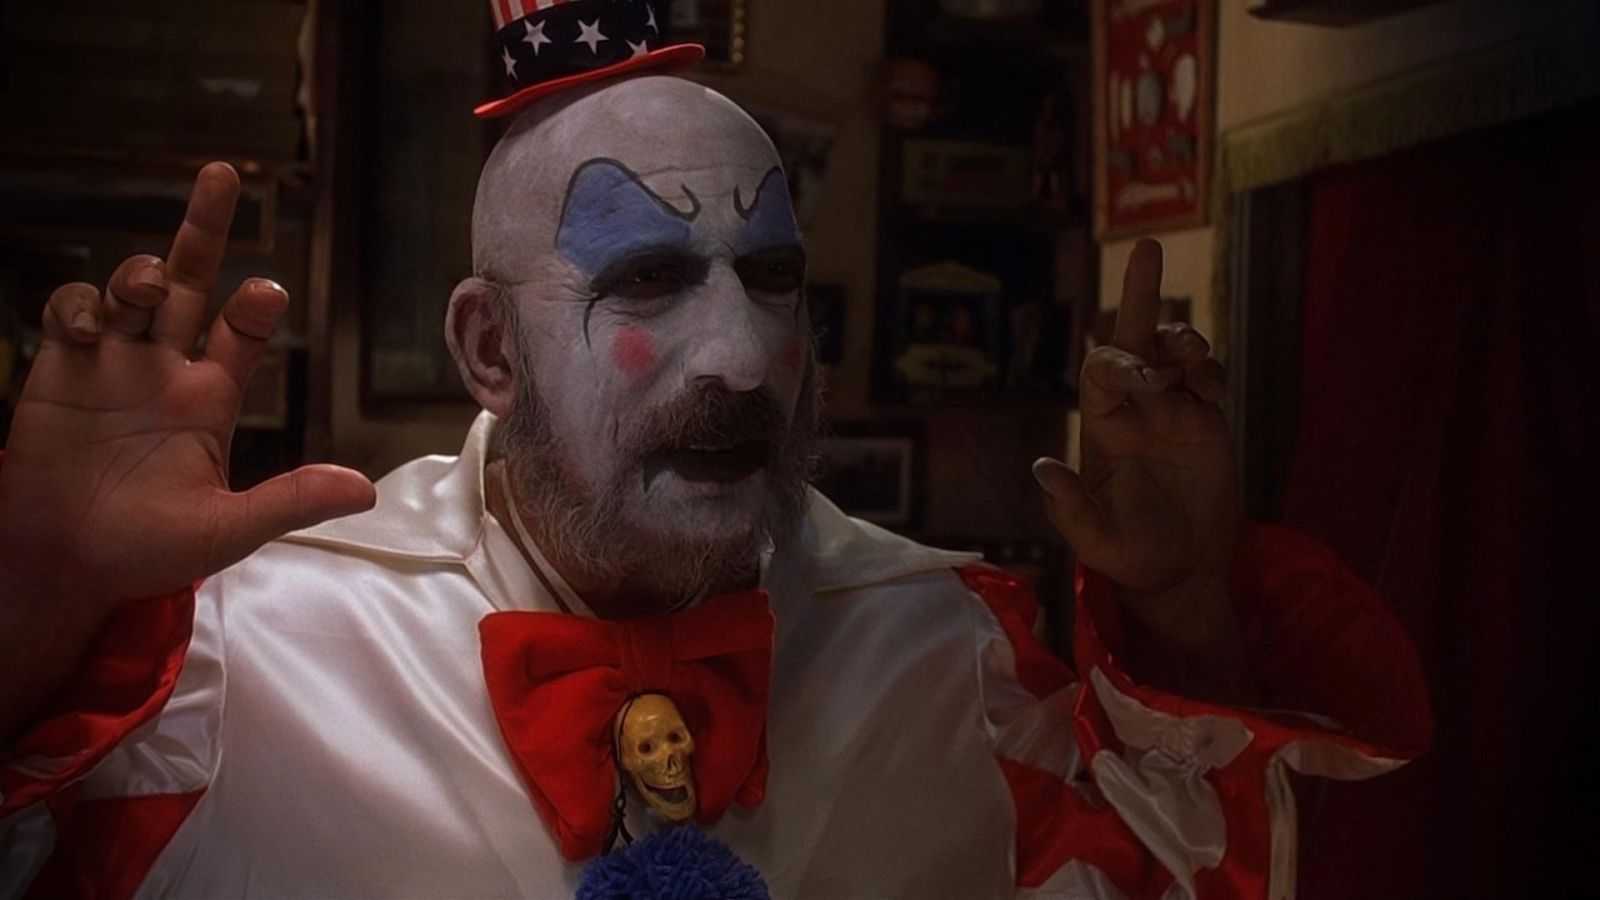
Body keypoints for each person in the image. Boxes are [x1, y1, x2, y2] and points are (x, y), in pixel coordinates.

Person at [0, 7, 1429, 898]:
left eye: (774, 278)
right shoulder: (243, 654)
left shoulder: (944, 652)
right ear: (490, 348)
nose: (743, 359)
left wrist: (1186, 611)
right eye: (647, 280)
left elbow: (1175, 868)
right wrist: (41, 592)